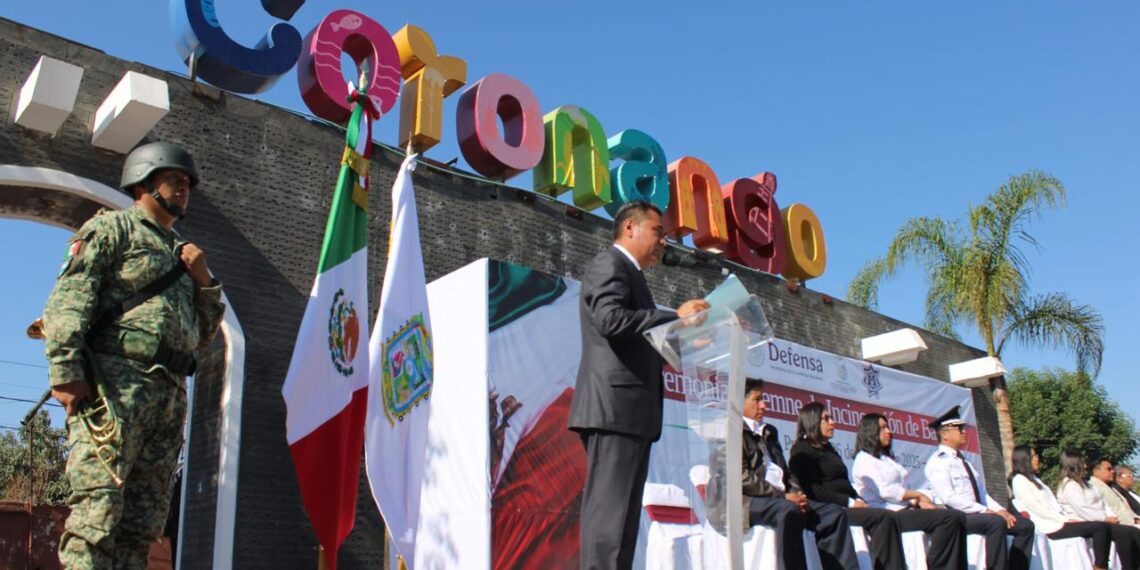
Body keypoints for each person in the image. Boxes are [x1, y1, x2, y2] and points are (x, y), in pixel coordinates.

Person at [42, 141, 226, 569]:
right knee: (98, 512)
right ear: (144, 181)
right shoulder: (112, 229)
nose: (183, 189)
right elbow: (69, 301)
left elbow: (202, 336)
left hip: (168, 396)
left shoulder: (184, 254)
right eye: (174, 179)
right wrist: (66, 373)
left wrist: (204, 283)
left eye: (188, 184)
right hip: (115, 388)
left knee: (142, 524)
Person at [567, 200, 709, 570]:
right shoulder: (609, 263)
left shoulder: (636, 279)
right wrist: (673, 316)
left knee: (625, 525)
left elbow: (642, 344)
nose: (664, 242)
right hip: (614, 410)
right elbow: (610, 320)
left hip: (633, 415)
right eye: (658, 232)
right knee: (609, 520)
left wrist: (688, 339)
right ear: (630, 227)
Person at [706, 379, 859, 570]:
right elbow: (739, 478)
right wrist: (784, 496)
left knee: (834, 514)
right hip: (742, 501)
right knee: (788, 510)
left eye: (763, 399)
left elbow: (786, 473)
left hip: (778, 498)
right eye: (757, 399)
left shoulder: (769, 432)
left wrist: (798, 493)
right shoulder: (727, 430)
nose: (764, 404)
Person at [788, 402, 904, 570]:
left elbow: (844, 482)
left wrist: (858, 498)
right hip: (830, 510)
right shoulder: (802, 450)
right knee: (882, 518)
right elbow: (813, 490)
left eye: (832, 417)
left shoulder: (828, 448)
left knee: (887, 516)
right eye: (826, 418)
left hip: (847, 505)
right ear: (812, 421)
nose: (832, 422)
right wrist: (850, 502)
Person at [923, 406, 1035, 570]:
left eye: (964, 428)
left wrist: (1001, 510)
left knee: (1025, 526)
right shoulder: (938, 462)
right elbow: (949, 498)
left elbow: (983, 493)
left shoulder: (965, 461)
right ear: (945, 434)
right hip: (959, 517)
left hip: (980, 514)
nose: (964, 432)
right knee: (995, 522)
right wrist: (985, 511)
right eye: (959, 428)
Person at [851, 413, 967, 570]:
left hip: (905, 509)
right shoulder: (863, 460)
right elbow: (887, 492)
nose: (889, 431)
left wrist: (920, 501)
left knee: (957, 517)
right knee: (949, 518)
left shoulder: (886, 459)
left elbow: (905, 488)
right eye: (883, 427)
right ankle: (937, 565)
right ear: (871, 431)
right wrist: (919, 495)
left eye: (888, 427)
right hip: (889, 514)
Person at [1008, 446, 1114, 570]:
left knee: (1101, 528)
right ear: (1024, 460)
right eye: (1033, 456)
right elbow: (1040, 510)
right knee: (1100, 528)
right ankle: (1100, 567)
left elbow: (1054, 505)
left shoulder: (1035, 480)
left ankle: (1101, 565)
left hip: (1058, 521)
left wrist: (1067, 517)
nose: (1037, 459)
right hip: (1049, 525)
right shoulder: (1019, 480)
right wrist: (1064, 519)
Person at [1056, 449, 1140, 567]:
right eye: (1082, 463)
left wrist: (1111, 516)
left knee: (1133, 532)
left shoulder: (1087, 484)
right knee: (1124, 532)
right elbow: (1083, 509)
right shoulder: (1069, 485)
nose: (1085, 466)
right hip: (1086, 522)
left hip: (1103, 521)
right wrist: (1105, 518)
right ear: (1073, 465)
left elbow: (1103, 502)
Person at [1090, 457, 1140, 526]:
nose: (1112, 471)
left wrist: (1136, 519)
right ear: (1096, 472)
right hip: (1120, 527)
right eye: (1108, 469)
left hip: (1131, 524)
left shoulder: (1111, 487)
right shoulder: (1093, 488)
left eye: (1112, 469)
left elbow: (1124, 509)